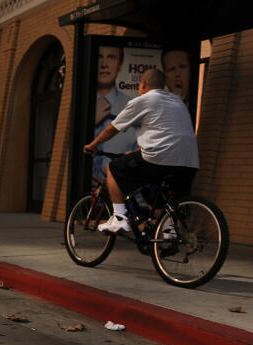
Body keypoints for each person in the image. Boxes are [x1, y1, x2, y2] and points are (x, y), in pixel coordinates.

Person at [84, 68, 199, 233]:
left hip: (160, 158)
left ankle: (119, 218)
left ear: (143, 84)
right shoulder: (177, 101)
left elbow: (112, 128)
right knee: (160, 197)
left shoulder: (144, 100)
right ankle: (168, 231)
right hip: (190, 161)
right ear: (163, 85)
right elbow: (164, 132)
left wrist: (93, 144)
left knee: (114, 168)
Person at [93, 46, 137, 182]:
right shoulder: (82, 101)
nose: (104, 64)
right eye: (99, 57)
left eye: (111, 57)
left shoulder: (132, 106)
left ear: (120, 64)